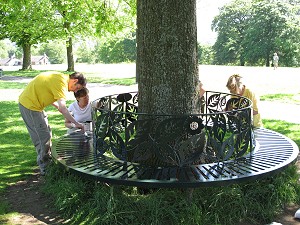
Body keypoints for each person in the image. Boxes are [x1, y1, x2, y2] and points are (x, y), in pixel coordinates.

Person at [18, 71, 87, 175]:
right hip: (30, 106)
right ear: (75, 81)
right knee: (43, 137)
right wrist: (76, 123)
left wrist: (56, 106)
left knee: (46, 133)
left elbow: (45, 91)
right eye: (77, 88)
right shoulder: (61, 83)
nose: (75, 91)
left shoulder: (59, 77)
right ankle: (46, 169)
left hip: (34, 105)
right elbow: (63, 108)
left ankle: (47, 162)